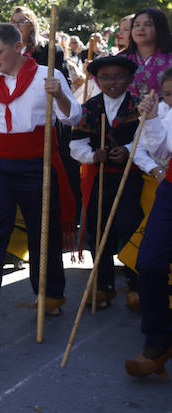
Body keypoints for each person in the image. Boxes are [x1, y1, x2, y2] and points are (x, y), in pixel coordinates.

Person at [0, 23, 81, 321]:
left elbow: (73, 115)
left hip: (36, 161)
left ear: (18, 47)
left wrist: (60, 95)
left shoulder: (47, 76)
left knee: (43, 229)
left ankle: (50, 293)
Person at [69, 55, 144, 309]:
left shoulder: (139, 106)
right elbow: (75, 143)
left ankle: (136, 286)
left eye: (119, 76)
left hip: (130, 177)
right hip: (98, 177)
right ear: (97, 80)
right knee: (98, 228)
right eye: (105, 77)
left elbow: (150, 139)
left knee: (130, 226)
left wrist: (127, 149)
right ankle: (104, 285)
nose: (112, 82)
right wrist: (92, 155)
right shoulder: (90, 108)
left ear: (131, 79)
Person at [128, 68, 172, 376]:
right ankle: (157, 342)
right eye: (169, 94)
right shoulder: (165, 109)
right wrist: (155, 116)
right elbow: (161, 151)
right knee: (150, 263)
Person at [119, 7, 172, 101]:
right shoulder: (120, 60)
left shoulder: (169, 58)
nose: (141, 29)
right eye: (136, 25)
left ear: (160, 28)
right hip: (129, 114)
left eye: (148, 24)